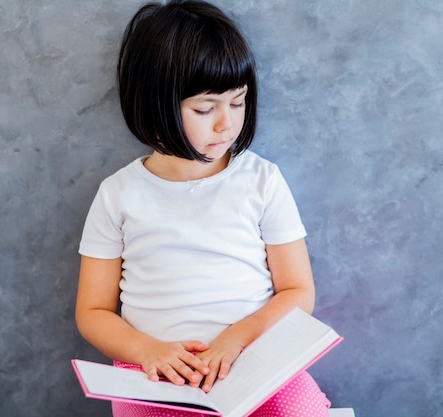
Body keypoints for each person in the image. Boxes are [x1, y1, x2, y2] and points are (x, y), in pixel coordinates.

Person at [75, 1, 331, 416]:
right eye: (205, 108)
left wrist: (237, 339)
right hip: (157, 374)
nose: (226, 124)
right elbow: (93, 311)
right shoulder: (118, 195)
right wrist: (149, 350)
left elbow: (298, 290)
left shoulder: (261, 181)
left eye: (238, 101)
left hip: (256, 360)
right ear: (154, 105)